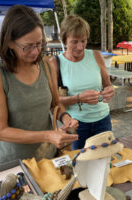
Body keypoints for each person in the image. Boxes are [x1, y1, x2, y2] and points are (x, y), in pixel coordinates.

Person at [0, 5, 78, 166]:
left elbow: (55, 104)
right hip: (12, 164)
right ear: (10, 42)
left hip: (46, 157)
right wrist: (47, 135)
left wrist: (66, 118)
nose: (35, 52)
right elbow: (1, 131)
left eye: (39, 44)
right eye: (27, 46)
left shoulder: (46, 66)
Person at [49, 15, 114, 150]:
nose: (80, 46)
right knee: (78, 164)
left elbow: (107, 84)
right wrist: (78, 98)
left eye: (83, 41)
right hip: (76, 124)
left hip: (103, 121)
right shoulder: (55, 63)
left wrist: (109, 91)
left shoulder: (95, 56)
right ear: (65, 40)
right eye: (74, 41)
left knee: (104, 162)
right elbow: (53, 101)